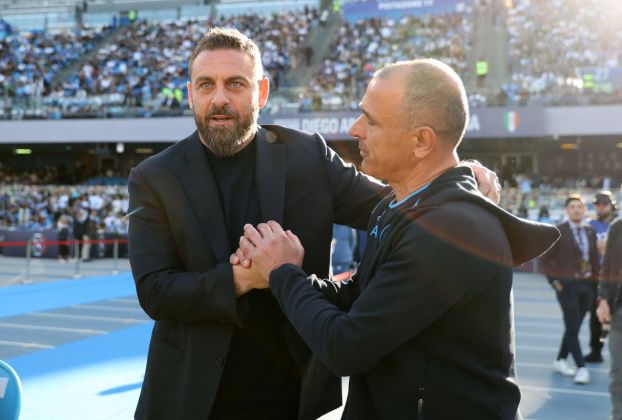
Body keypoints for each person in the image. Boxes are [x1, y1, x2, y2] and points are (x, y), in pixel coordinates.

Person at [128, 28, 500, 420]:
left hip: (289, 395)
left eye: (235, 84)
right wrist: (244, 279)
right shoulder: (154, 177)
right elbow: (154, 291)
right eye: (206, 85)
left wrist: (455, 172)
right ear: (190, 94)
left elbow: (394, 201)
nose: (219, 98)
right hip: (189, 397)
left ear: (262, 92)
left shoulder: (308, 156)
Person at [235, 59, 559, 419]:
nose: (356, 129)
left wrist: (283, 273)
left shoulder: (453, 230)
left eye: (371, 121)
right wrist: (280, 272)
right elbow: (361, 297)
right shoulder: (397, 205)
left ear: (421, 141)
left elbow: (347, 347)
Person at [542, 194, 600, 384]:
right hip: (567, 287)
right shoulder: (558, 231)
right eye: (572, 207)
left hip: (587, 286)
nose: (576, 209)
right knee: (573, 327)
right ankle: (581, 367)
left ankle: (560, 359)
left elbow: (593, 260)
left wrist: (596, 286)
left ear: (584, 210)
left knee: (573, 327)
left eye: (579, 206)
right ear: (566, 210)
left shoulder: (590, 231)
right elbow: (545, 260)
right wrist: (555, 282)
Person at [586, 190, 618, 363]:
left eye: (604, 204)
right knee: (595, 318)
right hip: (595, 278)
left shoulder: (618, 225)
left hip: (616, 280)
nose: (600, 207)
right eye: (597, 204)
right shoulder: (590, 226)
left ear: (612, 205)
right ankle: (596, 350)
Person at [596, 217, 622, 420]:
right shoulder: (617, 227)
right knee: (618, 374)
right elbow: (607, 267)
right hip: (619, 312)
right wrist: (603, 298)